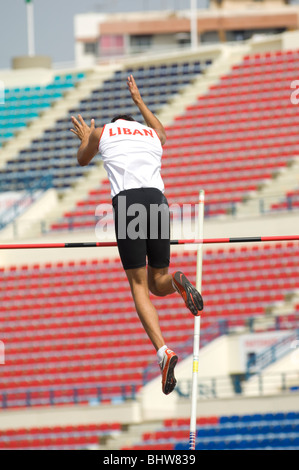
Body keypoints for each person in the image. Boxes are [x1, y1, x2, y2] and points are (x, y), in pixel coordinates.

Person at [70, 75, 203, 395]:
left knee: (139, 285)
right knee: (159, 281)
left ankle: (163, 352)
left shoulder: (103, 132)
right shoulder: (151, 134)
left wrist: (86, 137)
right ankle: (176, 280)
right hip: (157, 201)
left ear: (115, 124)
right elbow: (164, 133)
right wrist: (140, 100)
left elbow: (81, 159)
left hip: (128, 202)